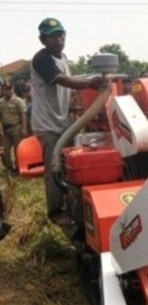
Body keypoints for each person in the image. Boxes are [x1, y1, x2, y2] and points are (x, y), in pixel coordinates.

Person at [30, 17, 109, 225]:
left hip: (62, 121)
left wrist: (78, 108)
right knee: (53, 166)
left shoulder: (63, 58)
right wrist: (89, 83)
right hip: (47, 124)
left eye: (61, 34)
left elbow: (66, 92)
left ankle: (71, 204)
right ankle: (55, 212)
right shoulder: (41, 59)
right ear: (42, 40)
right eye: (52, 36)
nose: (58, 40)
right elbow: (63, 81)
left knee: (68, 164)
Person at [0, 82, 28, 174]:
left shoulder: (18, 101)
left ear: (13, 89)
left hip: (16, 127)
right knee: (4, 150)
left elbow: (23, 115)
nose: (9, 91)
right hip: (5, 129)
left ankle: (19, 167)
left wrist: (24, 128)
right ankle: (9, 168)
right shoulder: (1, 102)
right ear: (3, 90)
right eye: (6, 89)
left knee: (18, 149)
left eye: (10, 89)